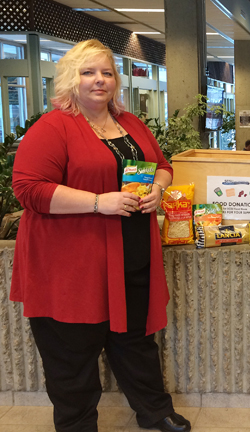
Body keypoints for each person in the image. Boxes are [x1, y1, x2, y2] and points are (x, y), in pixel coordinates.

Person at [10, 39, 191, 432]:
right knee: (71, 354)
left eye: (107, 72)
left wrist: (158, 188)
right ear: (70, 80)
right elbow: (28, 189)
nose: (99, 80)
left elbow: (161, 164)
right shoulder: (53, 127)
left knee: (136, 341)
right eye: (88, 72)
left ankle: (154, 410)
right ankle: (77, 425)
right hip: (71, 265)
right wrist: (97, 202)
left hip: (131, 256)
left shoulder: (130, 123)